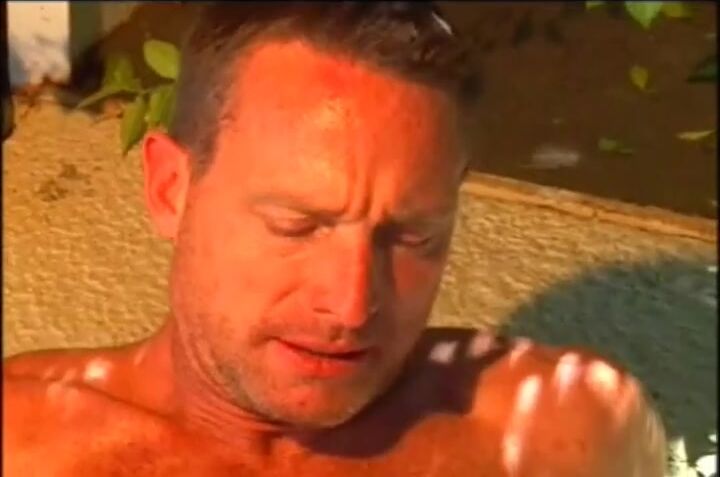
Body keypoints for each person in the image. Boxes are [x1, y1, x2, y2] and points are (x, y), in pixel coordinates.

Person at [3, 3, 666, 476]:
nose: (350, 306)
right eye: (296, 225)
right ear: (171, 189)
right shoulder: (24, 447)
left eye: (411, 237)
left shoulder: (566, 433)